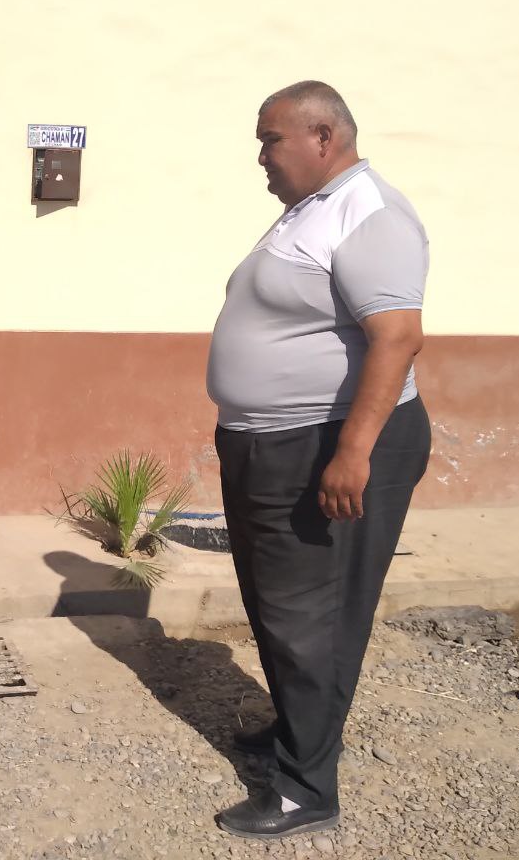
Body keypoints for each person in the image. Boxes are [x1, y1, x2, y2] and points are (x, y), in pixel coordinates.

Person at [205, 81, 431, 839]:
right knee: (277, 603)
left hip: (328, 442)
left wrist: (352, 453)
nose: (261, 157)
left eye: (270, 140)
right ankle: (298, 731)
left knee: (314, 614)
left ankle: (307, 788)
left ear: (323, 136)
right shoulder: (310, 210)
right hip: (273, 442)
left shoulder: (370, 212)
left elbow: (398, 337)